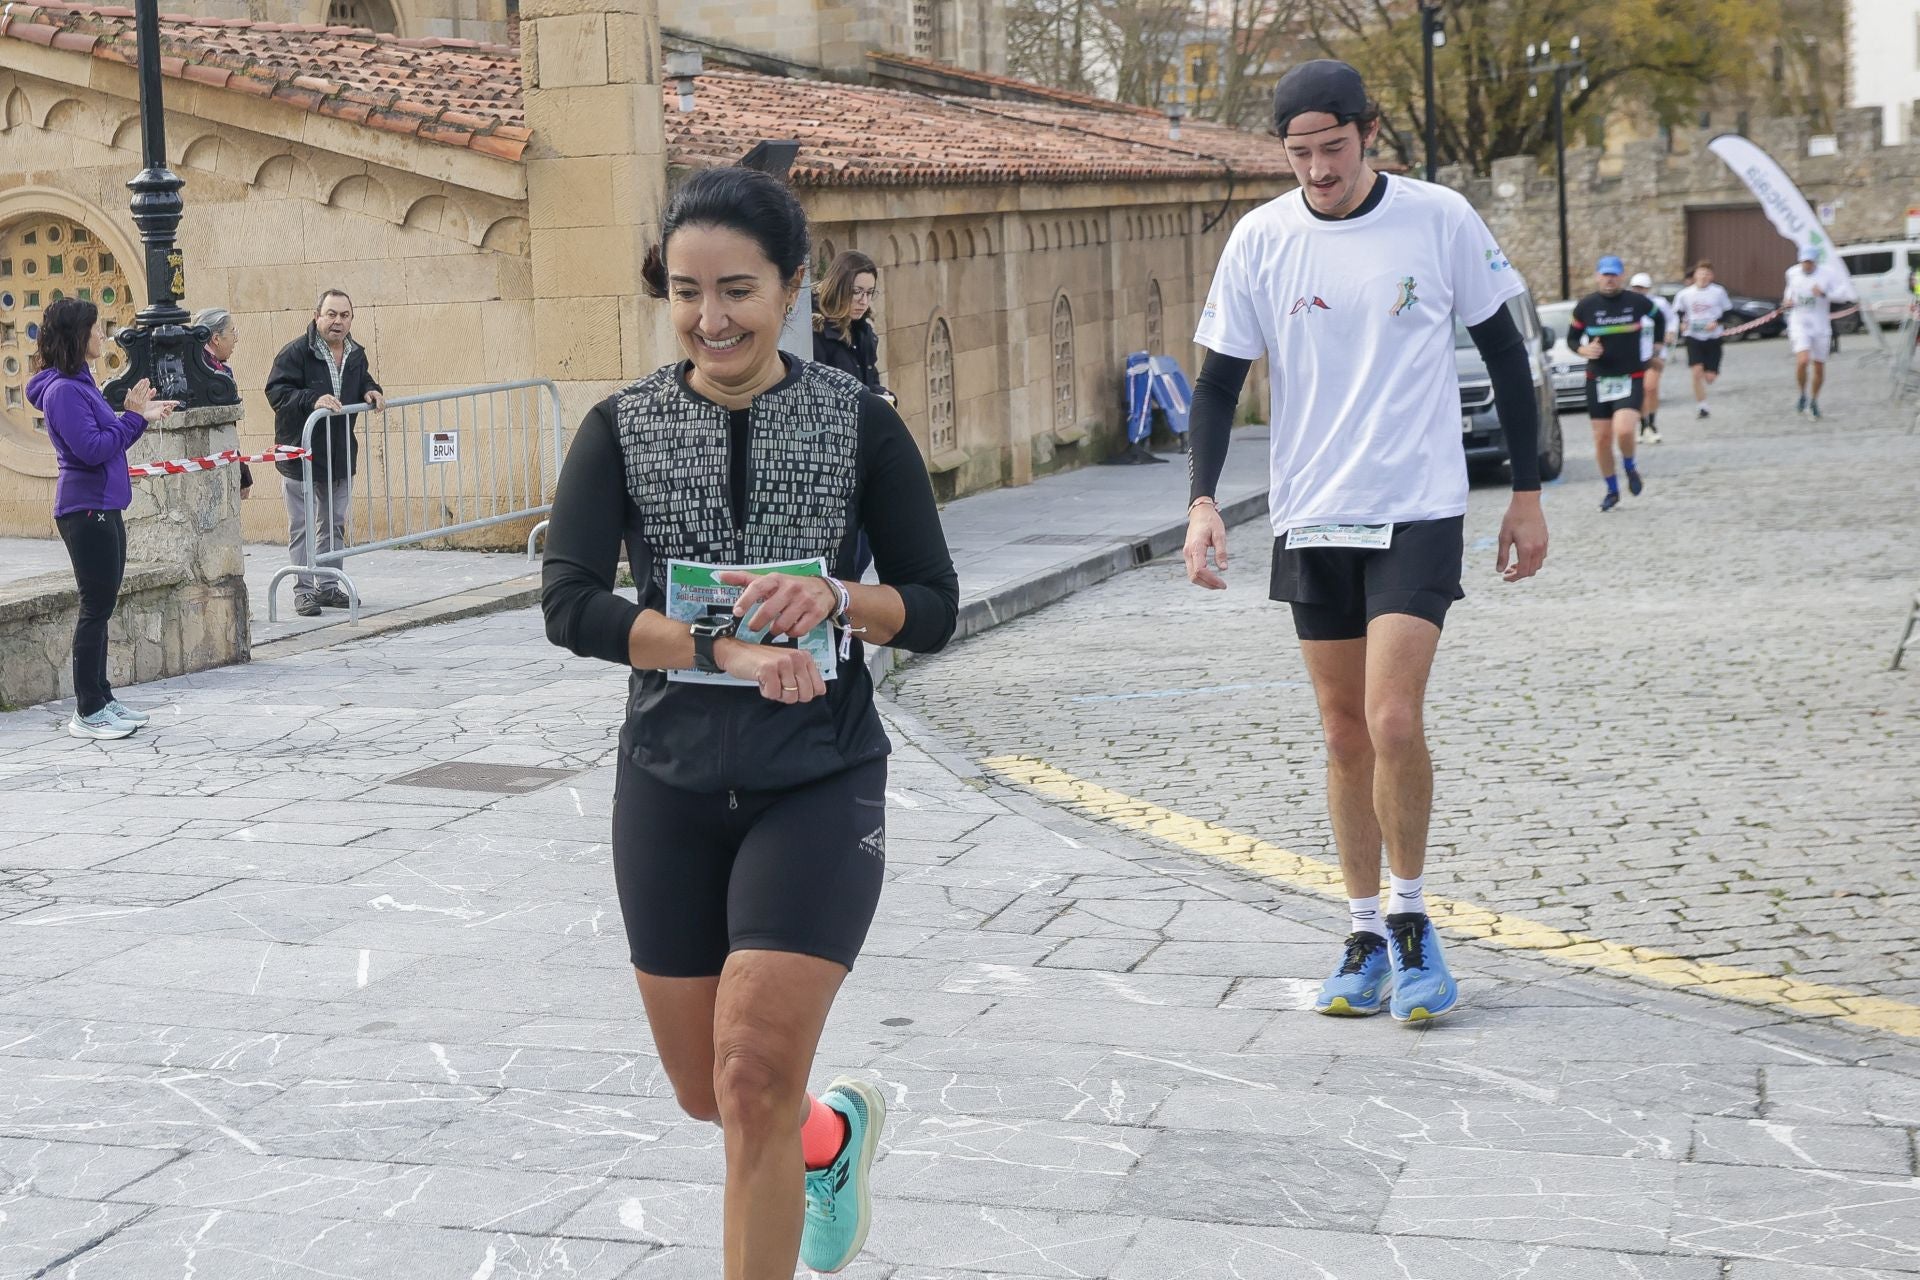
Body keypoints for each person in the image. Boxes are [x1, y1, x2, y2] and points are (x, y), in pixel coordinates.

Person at [542, 166, 958, 1278]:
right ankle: (831, 1141)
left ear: (792, 287)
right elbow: (569, 600)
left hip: (817, 775)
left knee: (750, 1078)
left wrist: (837, 595)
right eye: (685, 291)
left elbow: (934, 602)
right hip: (668, 775)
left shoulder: (859, 422)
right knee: (704, 1091)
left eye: (736, 289)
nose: (710, 317)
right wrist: (715, 648)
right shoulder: (620, 426)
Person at [1182, 60, 1548, 1025]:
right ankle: (1360, 933)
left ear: (1368, 133)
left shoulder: (1439, 218)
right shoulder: (1260, 239)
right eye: (1299, 154)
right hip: (1314, 512)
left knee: (1392, 720)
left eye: (1332, 150)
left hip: (1417, 505)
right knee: (1343, 733)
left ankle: (1414, 917)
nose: (1317, 170)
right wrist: (1204, 499)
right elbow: (1217, 382)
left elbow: (1507, 353)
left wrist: (1527, 492)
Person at [26, 298, 177, 740]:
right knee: (94, 607)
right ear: (77, 336)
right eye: (96, 329)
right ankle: (87, 711)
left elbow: (106, 437)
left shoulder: (80, 382)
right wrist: (130, 418)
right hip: (83, 508)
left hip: (104, 505)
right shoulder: (63, 391)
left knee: (104, 603)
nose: (102, 336)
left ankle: (103, 697)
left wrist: (137, 419)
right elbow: (92, 449)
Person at [265, 289, 384, 617]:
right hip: (301, 454)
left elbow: (361, 379)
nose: (337, 322)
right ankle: (304, 590)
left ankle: (329, 586)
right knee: (302, 524)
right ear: (317, 315)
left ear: (351, 319)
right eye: (331, 314)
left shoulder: (355, 353)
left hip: (338, 453)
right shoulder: (295, 353)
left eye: (344, 315)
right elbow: (276, 392)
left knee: (333, 522)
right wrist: (311, 399)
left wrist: (371, 390)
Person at [1569, 256, 1661, 511]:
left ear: (1621, 276)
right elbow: (1572, 338)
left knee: (1623, 430)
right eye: (1605, 274)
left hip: (1630, 376)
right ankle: (1611, 489)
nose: (1609, 279)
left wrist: (1658, 344)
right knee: (1601, 439)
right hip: (1597, 379)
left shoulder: (1636, 302)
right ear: (1598, 276)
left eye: (1614, 275)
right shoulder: (1586, 305)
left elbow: (1659, 317)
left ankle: (1630, 466)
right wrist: (1583, 349)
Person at [194, 307, 251, 500]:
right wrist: (243, 472)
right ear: (216, 338)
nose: (236, 338)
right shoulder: (209, 374)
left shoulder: (216, 368)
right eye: (232, 332)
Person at [812, 251, 886, 395]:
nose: (864, 301)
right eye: (857, 291)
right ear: (839, 288)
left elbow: (871, 383)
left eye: (870, 292)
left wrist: (886, 398)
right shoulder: (816, 334)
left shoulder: (864, 331)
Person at [1672, 260, 1732, 418]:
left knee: (1710, 378)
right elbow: (1678, 311)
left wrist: (1717, 322)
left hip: (1713, 337)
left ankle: (1711, 372)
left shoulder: (1718, 292)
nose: (1704, 276)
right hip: (1693, 336)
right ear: (1695, 274)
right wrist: (1682, 323)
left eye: (1707, 273)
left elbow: (1727, 311)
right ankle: (1702, 406)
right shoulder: (1685, 294)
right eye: (1701, 272)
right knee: (1696, 372)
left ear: (1712, 276)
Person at [1782, 246, 1834, 419]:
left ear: (1815, 262)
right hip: (1799, 322)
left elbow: (1841, 295)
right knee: (1803, 361)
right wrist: (1787, 302)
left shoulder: (1827, 274)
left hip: (1820, 325)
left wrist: (1823, 294)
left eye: (1810, 262)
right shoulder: (1792, 273)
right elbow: (1788, 293)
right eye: (1804, 262)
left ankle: (1814, 400)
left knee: (1819, 367)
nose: (1807, 265)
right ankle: (1802, 393)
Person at [1629, 272, 1676, 443]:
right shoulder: (1629, 305)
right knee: (1640, 390)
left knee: (1651, 387)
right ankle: (1643, 424)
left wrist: (1670, 332)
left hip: (1655, 352)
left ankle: (1653, 423)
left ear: (1648, 289)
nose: (1638, 291)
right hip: (1635, 354)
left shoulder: (1659, 304)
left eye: (1641, 288)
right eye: (1635, 288)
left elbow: (1671, 319)